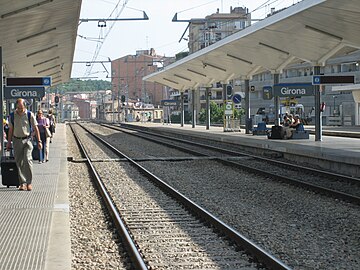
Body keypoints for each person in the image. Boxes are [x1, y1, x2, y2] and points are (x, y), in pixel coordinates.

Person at [6, 98, 42, 191]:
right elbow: (10, 130)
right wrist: (9, 143)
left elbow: (35, 128)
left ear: (25, 107)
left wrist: (39, 141)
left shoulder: (30, 115)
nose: (20, 110)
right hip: (16, 140)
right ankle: (22, 183)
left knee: (27, 159)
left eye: (21, 108)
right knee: (19, 162)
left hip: (27, 140)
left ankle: (29, 182)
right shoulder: (12, 116)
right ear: (16, 107)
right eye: (18, 108)